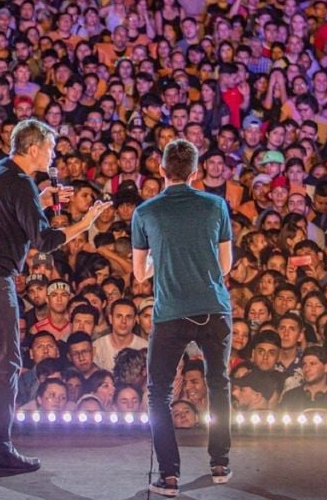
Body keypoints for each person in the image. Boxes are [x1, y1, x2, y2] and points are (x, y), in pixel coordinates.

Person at [0, 118, 110, 473]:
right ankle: (0, 450)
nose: (53, 154)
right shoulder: (21, 185)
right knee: (7, 364)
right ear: (33, 148)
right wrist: (85, 222)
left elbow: (5, 212)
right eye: (50, 148)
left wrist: (39, 199)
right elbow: (45, 242)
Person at [132, 139, 234, 497]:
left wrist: (166, 255)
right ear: (195, 172)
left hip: (171, 311)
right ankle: (219, 463)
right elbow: (225, 266)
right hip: (213, 307)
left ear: (161, 171)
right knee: (219, 384)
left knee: (158, 392)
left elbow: (140, 274)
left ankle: (170, 476)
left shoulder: (145, 212)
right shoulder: (216, 205)